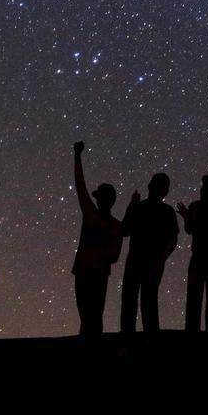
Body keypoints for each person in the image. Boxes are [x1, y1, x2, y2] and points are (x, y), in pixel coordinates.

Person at [71, 141, 123, 337]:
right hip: (95, 273)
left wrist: (77, 157)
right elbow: (114, 255)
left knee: (88, 316)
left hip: (88, 272)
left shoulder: (93, 216)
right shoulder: (115, 225)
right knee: (93, 316)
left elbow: (81, 188)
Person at [120, 172, 179, 334]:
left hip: (142, 261)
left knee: (135, 301)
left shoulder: (142, 208)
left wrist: (132, 205)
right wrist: (161, 259)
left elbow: (124, 230)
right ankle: (147, 339)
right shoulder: (165, 211)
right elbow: (173, 239)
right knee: (146, 300)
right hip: (148, 262)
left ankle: (131, 340)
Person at [176, 174, 208, 333]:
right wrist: (187, 217)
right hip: (201, 257)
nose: (203, 190)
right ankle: (195, 331)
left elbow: (193, 229)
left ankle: (207, 330)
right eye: (204, 186)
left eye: (207, 187)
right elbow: (190, 229)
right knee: (196, 297)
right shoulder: (198, 206)